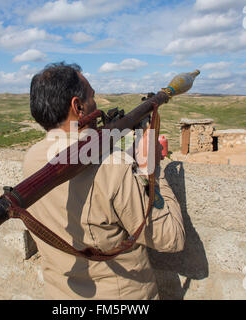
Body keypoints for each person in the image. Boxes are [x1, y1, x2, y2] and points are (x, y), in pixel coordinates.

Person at [22, 62, 185, 300]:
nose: (96, 104)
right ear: (78, 106)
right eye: (92, 98)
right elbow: (171, 238)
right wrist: (151, 169)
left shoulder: (32, 158)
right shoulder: (114, 167)